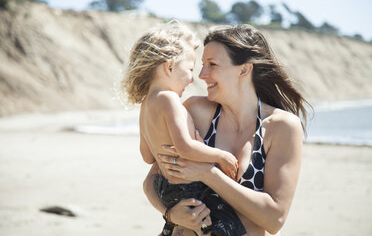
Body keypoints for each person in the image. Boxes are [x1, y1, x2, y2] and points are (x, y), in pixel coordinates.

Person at [143, 24, 308, 235]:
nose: (202, 75)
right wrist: (170, 214)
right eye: (202, 65)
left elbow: (274, 219)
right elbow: (151, 180)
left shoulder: (281, 127)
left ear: (244, 69)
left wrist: (208, 173)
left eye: (212, 64)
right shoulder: (195, 111)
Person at [121, 21, 247, 236]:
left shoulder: (146, 104)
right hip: (189, 188)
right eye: (189, 69)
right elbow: (186, 148)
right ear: (169, 67)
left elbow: (147, 156)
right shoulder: (168, 99)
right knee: (232, 225)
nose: (192, 78)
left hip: (165, 188)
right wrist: (221, 155)